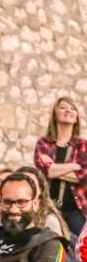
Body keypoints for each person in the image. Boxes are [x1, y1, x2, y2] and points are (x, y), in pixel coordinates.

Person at [34, 98, 87, 239]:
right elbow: (45, 170)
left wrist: (54, 169)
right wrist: (75, 166)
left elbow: (84, 175)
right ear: (55, 114)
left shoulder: (83, 145)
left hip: (76, 209)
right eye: (63, 107)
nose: (68, 110)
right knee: (46, 243)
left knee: (80, 246)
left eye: (72, 108)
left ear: (76, 118)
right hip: (47, 207)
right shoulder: (44, 143)